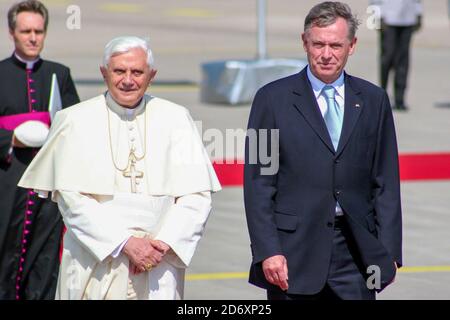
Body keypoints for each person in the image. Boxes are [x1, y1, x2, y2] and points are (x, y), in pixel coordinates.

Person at [18, 36, 221, 300]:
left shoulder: (176, 118)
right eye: (119, 71)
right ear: (104, 73)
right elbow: (73, 201)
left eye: (137, 72)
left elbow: (197, 196)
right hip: (97, 262)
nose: (128, 80)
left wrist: (162, 244)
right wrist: (126, 244)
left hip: (157, 265)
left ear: (152, 75)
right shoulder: (74, 121)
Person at [244, 2, 402, 300]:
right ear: (305, 42)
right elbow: (258, 184)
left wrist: (390, 251)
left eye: (335, 45)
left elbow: (386, 181)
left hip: (357, 253)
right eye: (318, 44)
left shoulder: (373, 100)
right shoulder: (271, 100)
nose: (326, 54)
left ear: (352, 46)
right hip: (293, 253)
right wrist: (269, 250)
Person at [0, 0, 79, 300]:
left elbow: (75, 128)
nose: (33, 37)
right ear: (12, 33)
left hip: (46, 192)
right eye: (26, 31)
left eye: (39, 31)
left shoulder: (60, 74)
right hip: (8, 184)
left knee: (44, 265)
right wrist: (11, 141)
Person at [371, 0, 422, 111]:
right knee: (387, 58)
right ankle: (380, 96)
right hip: (387, 19)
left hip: (408, 18)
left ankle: (400, 99)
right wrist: (376, 18)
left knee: (403, 60)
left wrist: (418, 13)